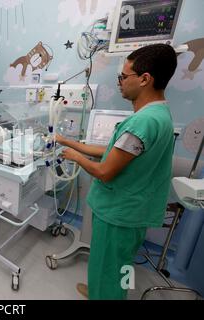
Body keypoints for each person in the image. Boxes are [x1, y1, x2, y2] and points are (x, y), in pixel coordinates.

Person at [56, 44, 178, 300]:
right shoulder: (159, 114)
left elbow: (105, 171)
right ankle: (102, 290)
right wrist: (67, 141)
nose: (120, 82)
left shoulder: (143, 122)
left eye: (123, 76)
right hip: (131, 210)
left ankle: (108, 295)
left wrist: (75, 157)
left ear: (145, 79)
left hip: (120, 213)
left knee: (113, 267)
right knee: (118, 265)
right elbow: (113, 152)